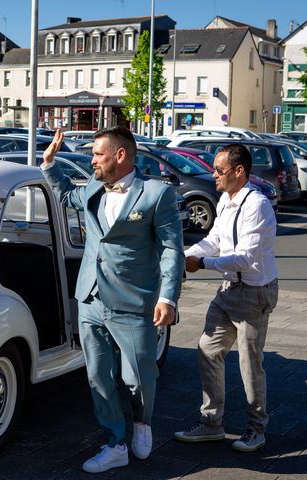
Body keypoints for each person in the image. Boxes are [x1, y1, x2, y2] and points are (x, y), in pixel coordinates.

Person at [41, 127, 184, 473]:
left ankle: (142, 423)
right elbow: (67, 198)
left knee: (138, 375)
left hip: (134, 301)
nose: (91, 161)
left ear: (120, 156)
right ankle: (114, 442)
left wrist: (168, 297)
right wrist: (49, 164)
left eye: (97, 154)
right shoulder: (93, 185)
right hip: (90, 297)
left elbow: (171, 249)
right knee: (98, 376)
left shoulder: (156, 194)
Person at [173, 144, 278, 452]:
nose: (213, 175)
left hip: (254, 291)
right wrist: (186, 255)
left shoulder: (256, 205)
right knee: (207, 349)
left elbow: (244, 259)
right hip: (229, 289)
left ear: (239, 171)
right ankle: (211, 424)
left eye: (219, 170)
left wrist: (202, 264)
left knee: (249, 363)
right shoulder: (226, 199)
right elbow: (215, 240)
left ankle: (256, 429)